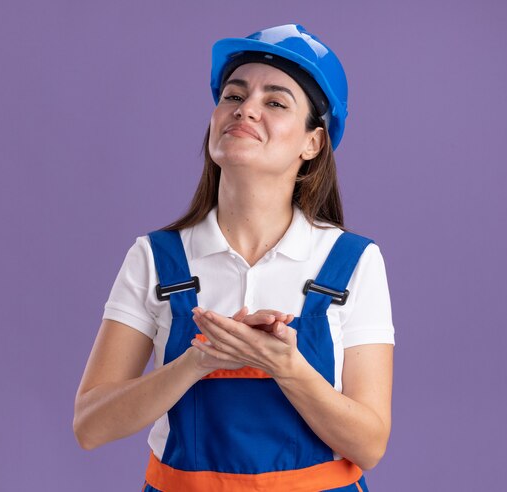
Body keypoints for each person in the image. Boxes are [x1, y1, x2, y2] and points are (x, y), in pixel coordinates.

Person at [74, 24, 395, 492]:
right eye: (233, 95)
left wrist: (287, 367)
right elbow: (91, 425)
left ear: (313, 143)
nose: (245, 109)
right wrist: (197, 362)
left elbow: (369, 445)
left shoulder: (353, 262)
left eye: (275, 102)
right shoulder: (156, 258)